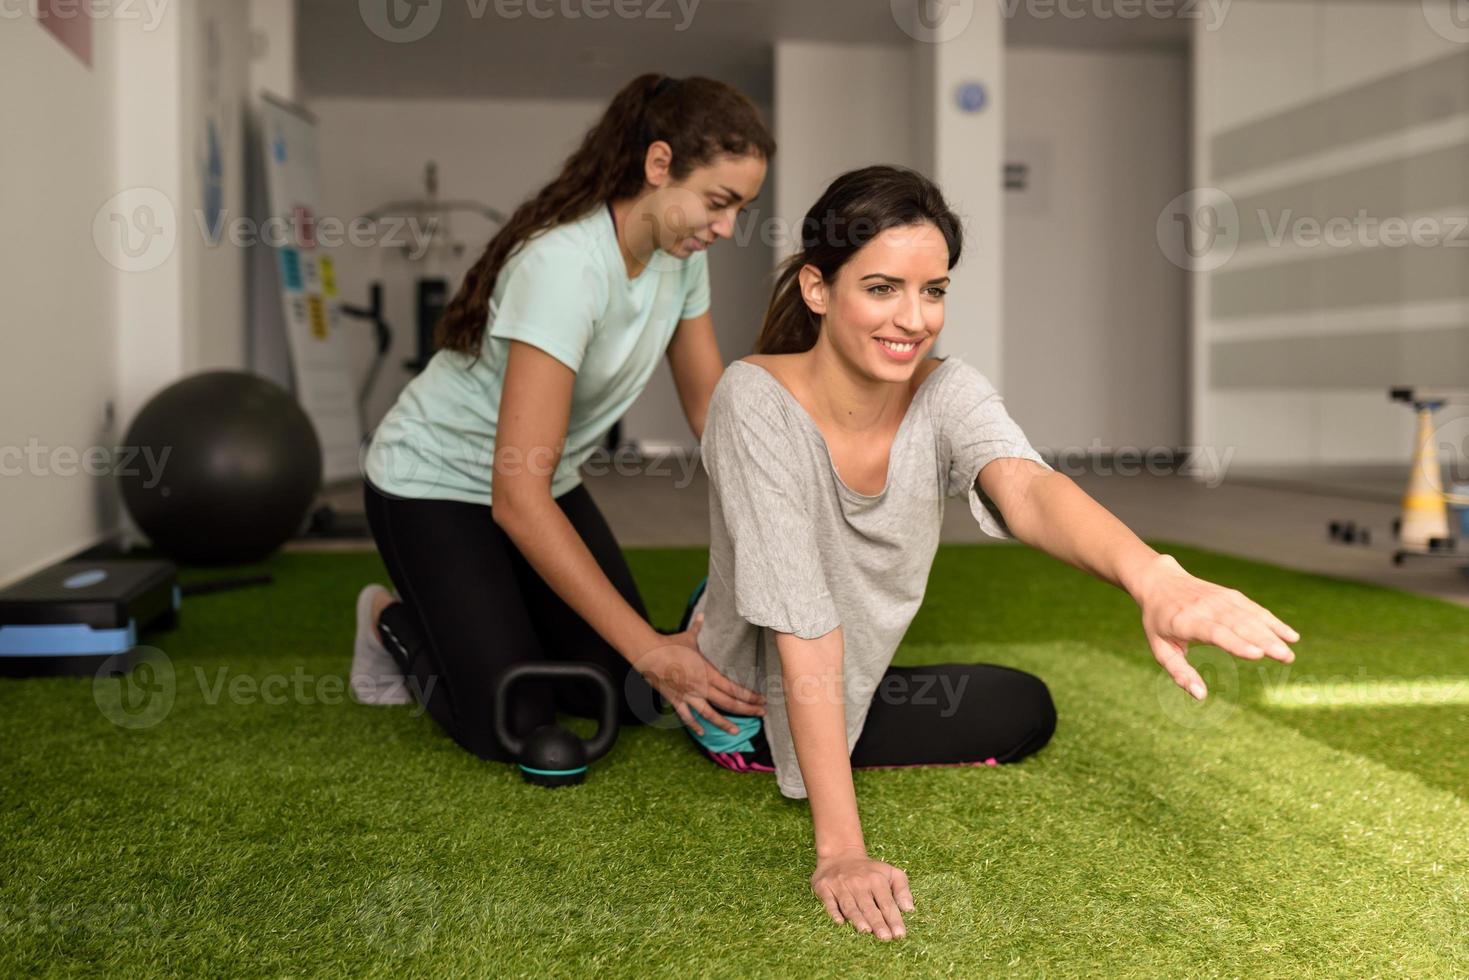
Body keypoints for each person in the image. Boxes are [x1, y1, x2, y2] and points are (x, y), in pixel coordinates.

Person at [679, 165, 1302, 942]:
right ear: (816, 288)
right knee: (1002, 714)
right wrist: (841, 850)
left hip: (802, 629)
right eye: (880, 289)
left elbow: (1028, 488)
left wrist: (1154, 576)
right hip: (754, 684)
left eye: (933, 291)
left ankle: (714, 624)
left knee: (1020, 706)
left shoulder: (946, 391)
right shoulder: (751, 399)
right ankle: (704, 666)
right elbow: (802, 624)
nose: (913, 318)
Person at [349, 73, 775, 763]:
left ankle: (504, 612)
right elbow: (516, 499)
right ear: (659, 164)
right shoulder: (563, 268)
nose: (727, 228)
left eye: (740, 209)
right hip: (432, 484)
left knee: (628, 694)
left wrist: (765, 519)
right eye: (718, 202)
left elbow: (708, 408)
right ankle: (384, 619)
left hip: (542, 482)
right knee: (514, 722)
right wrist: (649, 647)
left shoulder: (677, 257)